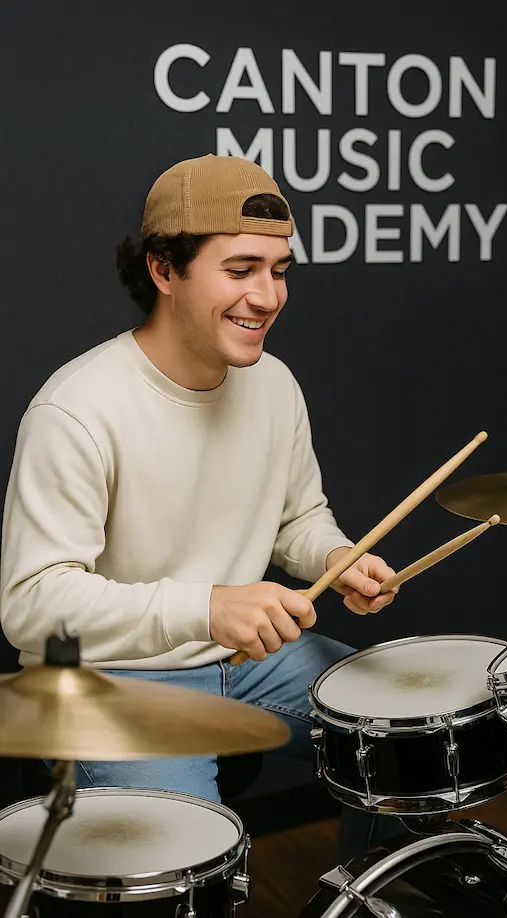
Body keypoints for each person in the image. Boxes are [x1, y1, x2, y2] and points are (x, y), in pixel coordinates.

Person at [0, 154, 400, 857]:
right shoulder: (76, 410)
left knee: (401, 735)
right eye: (240, 270)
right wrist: (208, 607)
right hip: (113, 677)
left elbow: (297, 516)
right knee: (193, 853)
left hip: (248, 659)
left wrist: (337, 555)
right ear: (163, 270)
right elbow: (31, 603)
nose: (268, 296)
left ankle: (364, 897)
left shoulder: (274, 384)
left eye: (279, 271)